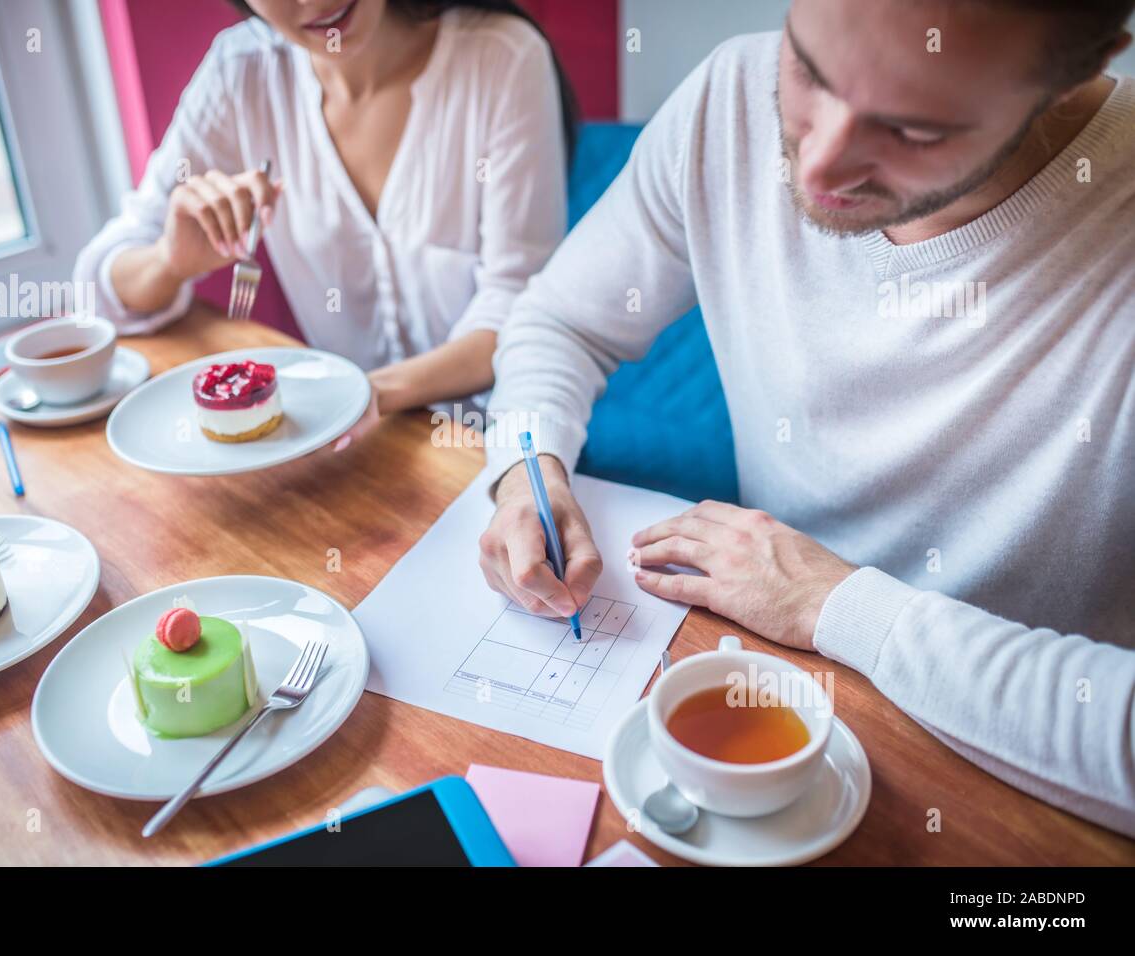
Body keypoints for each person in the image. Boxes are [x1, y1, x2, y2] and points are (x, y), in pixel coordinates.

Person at [477, 0, 1135, 836]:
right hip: (753, 680)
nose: (818, 167)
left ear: (1077, 69)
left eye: (915, 131)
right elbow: (563, 322)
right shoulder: (730, 96)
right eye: (808, 72)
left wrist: (839, 606)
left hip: (1022, 784)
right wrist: (525, 468)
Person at [74, 0, 576, 444]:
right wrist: (168, 260)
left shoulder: (502, 58)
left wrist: (366, 393)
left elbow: (522, 312)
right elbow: (98, 290)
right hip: (344, 450)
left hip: (496, 444)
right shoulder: (239, 72)